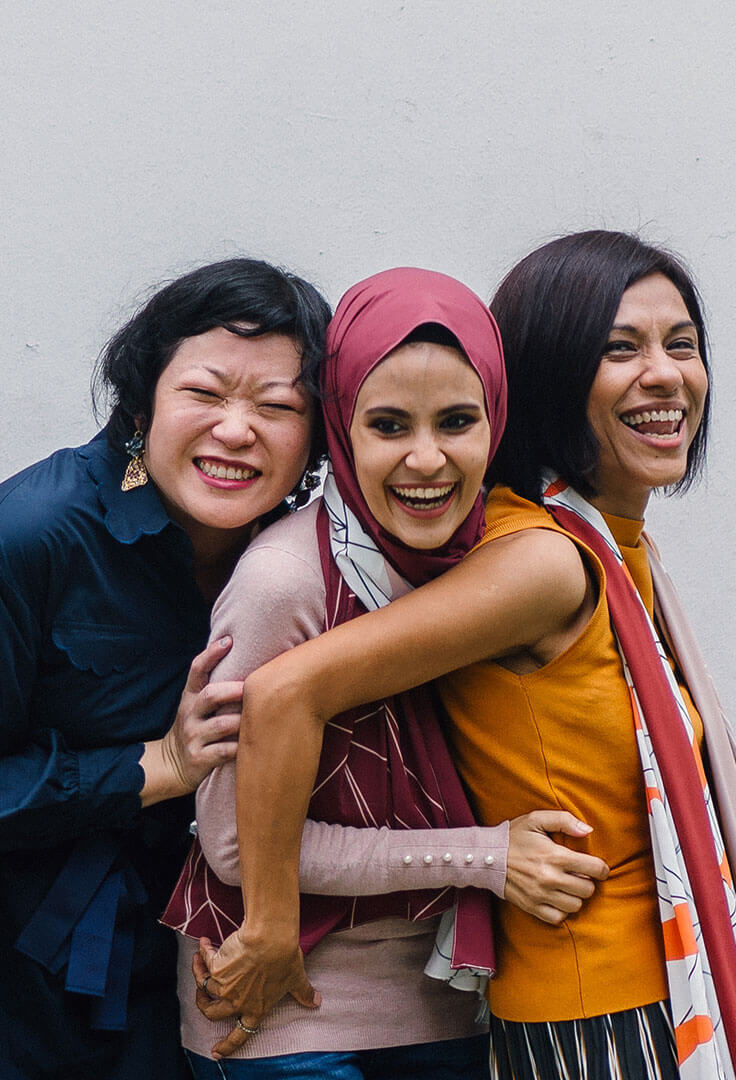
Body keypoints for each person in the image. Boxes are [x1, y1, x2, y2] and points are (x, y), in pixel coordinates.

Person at [204, 231, 727, 1080]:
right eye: (619, 348)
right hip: (601, 1009)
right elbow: (284, 693)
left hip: (639, 992)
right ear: (551, 377)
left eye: (683, 345)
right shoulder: (544, 561)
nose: (664, 374)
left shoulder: (604, 547)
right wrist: (268, 926)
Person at [0, 259, 332, 1079]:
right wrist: (156, 766)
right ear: (144, 396)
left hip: (173, 971)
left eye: (278, 406)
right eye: (205, 394)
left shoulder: (293, 554)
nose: (235, 430)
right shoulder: (30, 538)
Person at [163, 267, 610, 1077]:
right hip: (284, 1014)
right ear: (341, 428)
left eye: (457, 421)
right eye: (390, 424)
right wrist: (489, 857)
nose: (426, 459)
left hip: (447, 1002)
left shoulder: (489, 562)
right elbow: (234, 845)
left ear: (495, 423)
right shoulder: (287, 582)